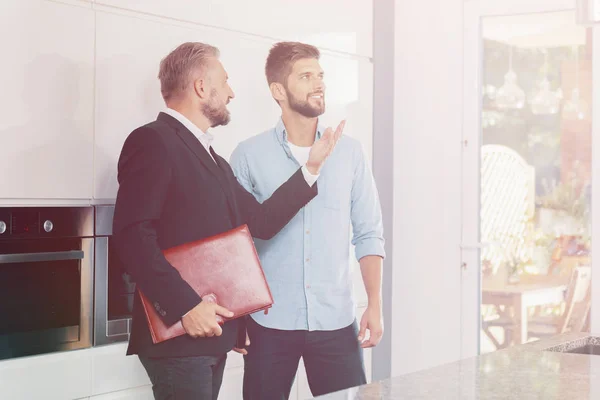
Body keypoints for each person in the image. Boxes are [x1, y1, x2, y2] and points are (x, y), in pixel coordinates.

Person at [111, 41, 343, 400]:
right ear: (202, 87)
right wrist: (186, 307)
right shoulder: (152, 141)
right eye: (226, 81)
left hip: (209, 337)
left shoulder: (215, 162)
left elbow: (261, 222)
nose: (232, 93)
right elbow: (132, 237)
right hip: (179, 339)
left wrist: (310, 169)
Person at [230, 41, 386, 399]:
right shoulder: (248, 156)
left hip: (335, 321)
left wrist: (374, 305)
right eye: (305, 76)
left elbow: (368, 233)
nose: (318, 83)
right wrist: (239, 318)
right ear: (278, 91)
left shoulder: (350, 153)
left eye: (320, 75)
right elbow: (237, 245)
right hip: (268, 322)